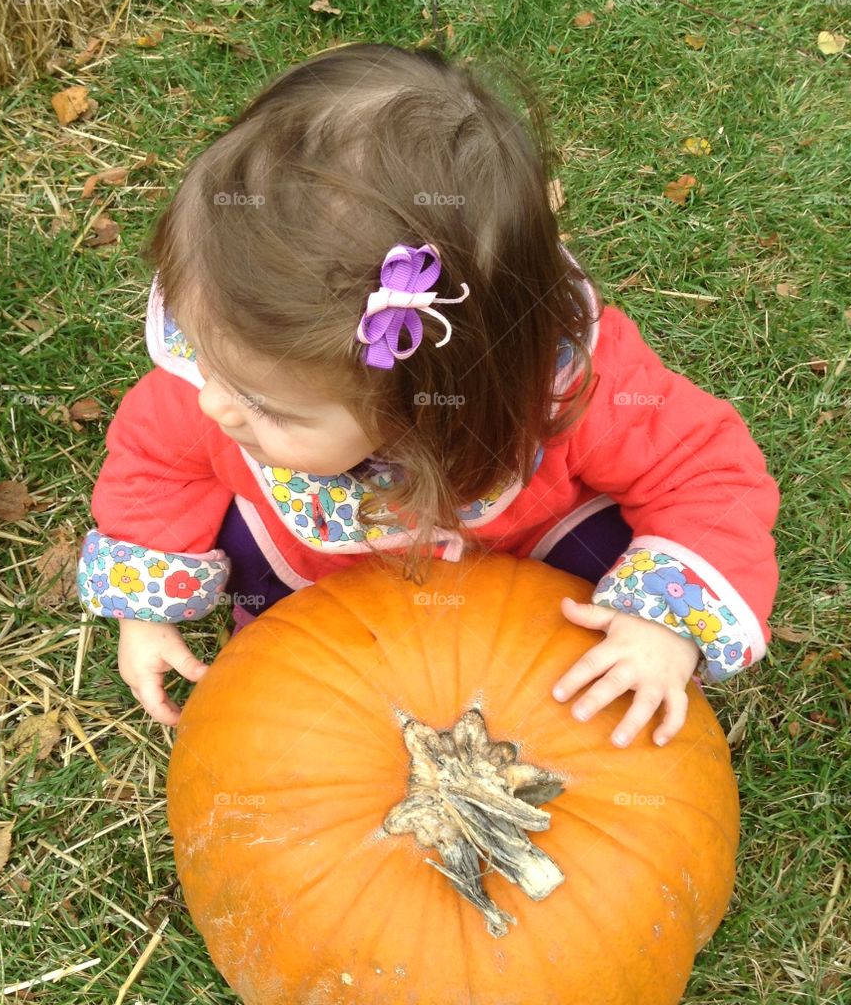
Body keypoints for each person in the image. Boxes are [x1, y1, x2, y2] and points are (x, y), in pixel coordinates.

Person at [76, 42, 779, 748]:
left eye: (268, 408)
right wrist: (144, 606)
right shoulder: (226, 374)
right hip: (329, 574)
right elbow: (155, 459)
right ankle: (294, 647)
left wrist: (663, 619)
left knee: (608, 546)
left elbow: (705, 473)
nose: (214, 406)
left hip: (523, 565)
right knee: (253, 552)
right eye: (208, 366)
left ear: (434, 401)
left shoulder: (574, 392)